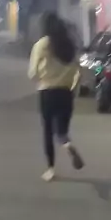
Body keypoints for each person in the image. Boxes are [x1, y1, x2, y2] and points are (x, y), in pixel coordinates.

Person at [28, 13, 85, 181]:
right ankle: (67, 144)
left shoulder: (41, 45)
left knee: (47, 131)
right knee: (61, 131)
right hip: (66, 93)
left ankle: (51, 169)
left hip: (47, 92)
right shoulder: (69, 45)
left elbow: (32, 73)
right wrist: (73, 88)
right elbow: (79, 71)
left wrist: (40, 79)